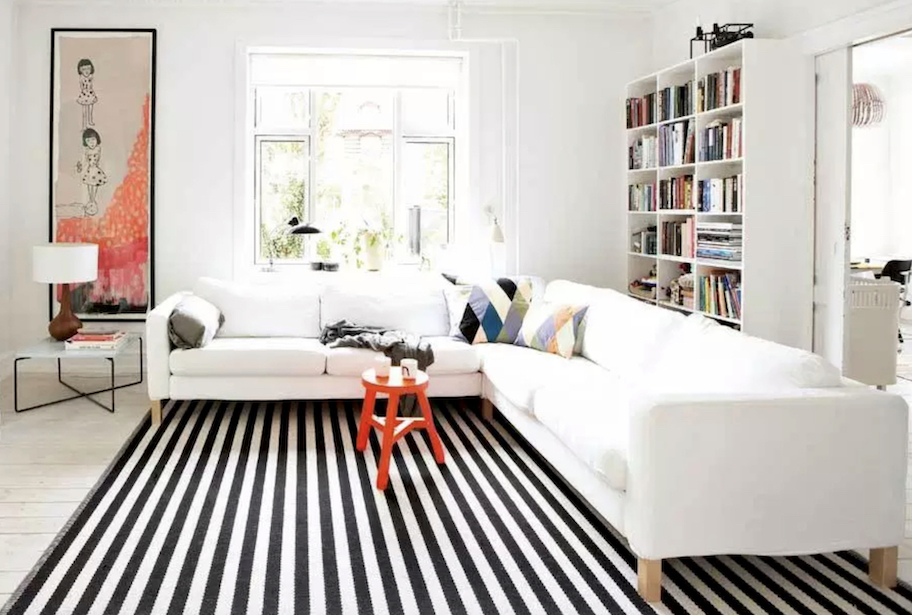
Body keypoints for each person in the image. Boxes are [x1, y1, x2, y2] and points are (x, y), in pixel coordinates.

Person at [76, 128, 107, 215]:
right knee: (90, 185)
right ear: (86, 142)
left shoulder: (98, 148)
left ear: (97, 139)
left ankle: (93, 201)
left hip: (95, 169)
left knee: (95, 184)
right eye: (88, 141)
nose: (91, 143)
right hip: (90, 170)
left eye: (93, 140)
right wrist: (80, 166)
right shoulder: (86, 150)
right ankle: (91, 201)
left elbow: (100, 158)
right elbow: (84, 160)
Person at [76, 58, 97, 129]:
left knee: (90, 109)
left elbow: (91, 84)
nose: (86, 71)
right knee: (84, 110)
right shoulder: (81, 78)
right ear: (80, 70)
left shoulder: (91, 77)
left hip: (90, 93)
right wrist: (85, 90)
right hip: (85, 94)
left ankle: (90, 121)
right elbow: (82, 87)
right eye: (84, 69)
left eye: (88, 69)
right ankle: (84, 124)